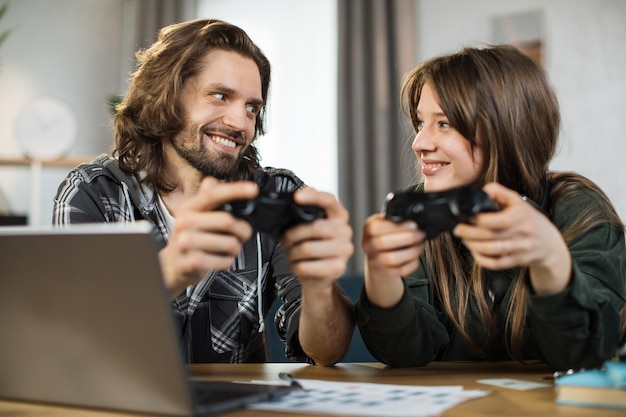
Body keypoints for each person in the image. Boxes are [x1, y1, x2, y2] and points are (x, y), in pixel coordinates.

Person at [53, 18, 355, 366]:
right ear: (166, 94)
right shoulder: (95, 193)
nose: (240, 123)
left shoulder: (277, 194)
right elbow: (73, 343)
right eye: (220, 95)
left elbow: (328, 351)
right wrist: (167, 274)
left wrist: (318, 286)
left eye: (251, 108)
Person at [356, 45, 626, 372]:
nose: (419, 143)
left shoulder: (577, 209)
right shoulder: (415, 213)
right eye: (420, 122)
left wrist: (551, 260)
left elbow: (584, 353)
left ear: (506, 129)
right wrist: (381, 272)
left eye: (444, 124)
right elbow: (404, 353)